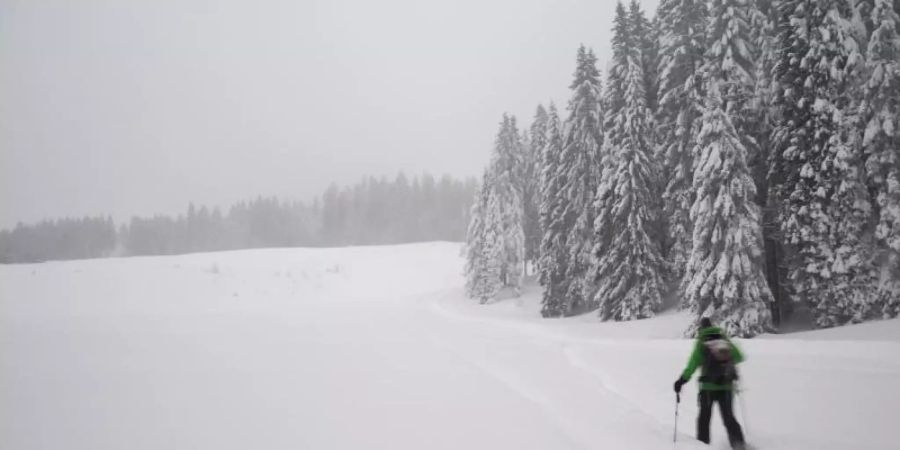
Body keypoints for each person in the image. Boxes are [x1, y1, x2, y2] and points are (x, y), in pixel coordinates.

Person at [673, 317, 746, 449]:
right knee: (729, 419)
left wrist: (681, 380)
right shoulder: (723, 339)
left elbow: (693, 364)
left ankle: (702, 446)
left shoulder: (702, 342)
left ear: (701, 328)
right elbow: (739, 356)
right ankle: (739, 446)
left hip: (708, 388)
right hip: (726, 387)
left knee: (704, 419)